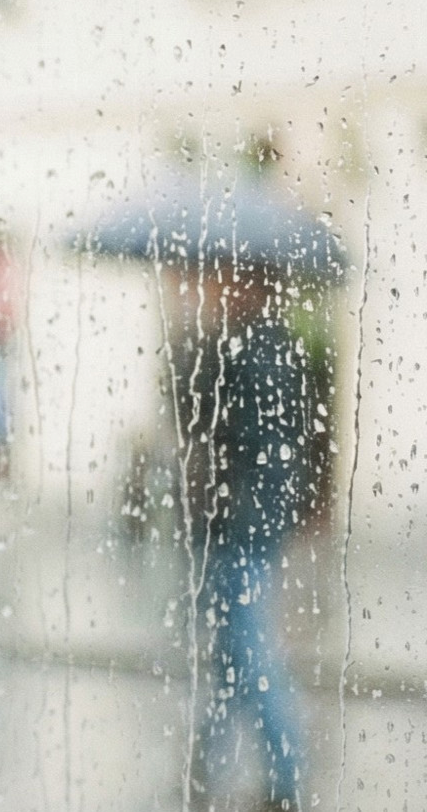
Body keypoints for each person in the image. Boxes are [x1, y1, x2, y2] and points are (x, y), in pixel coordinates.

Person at [167, 259, 314, 812]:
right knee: (231, 652)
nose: (207, 287)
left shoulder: (257, 351)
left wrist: (241, 527)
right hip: (234, 523)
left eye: (218, 277)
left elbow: (264, 457)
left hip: (241, 528)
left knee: (250, 651)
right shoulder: (239, 344)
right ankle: (204, 767)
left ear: (248, 284)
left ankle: (286, 777)